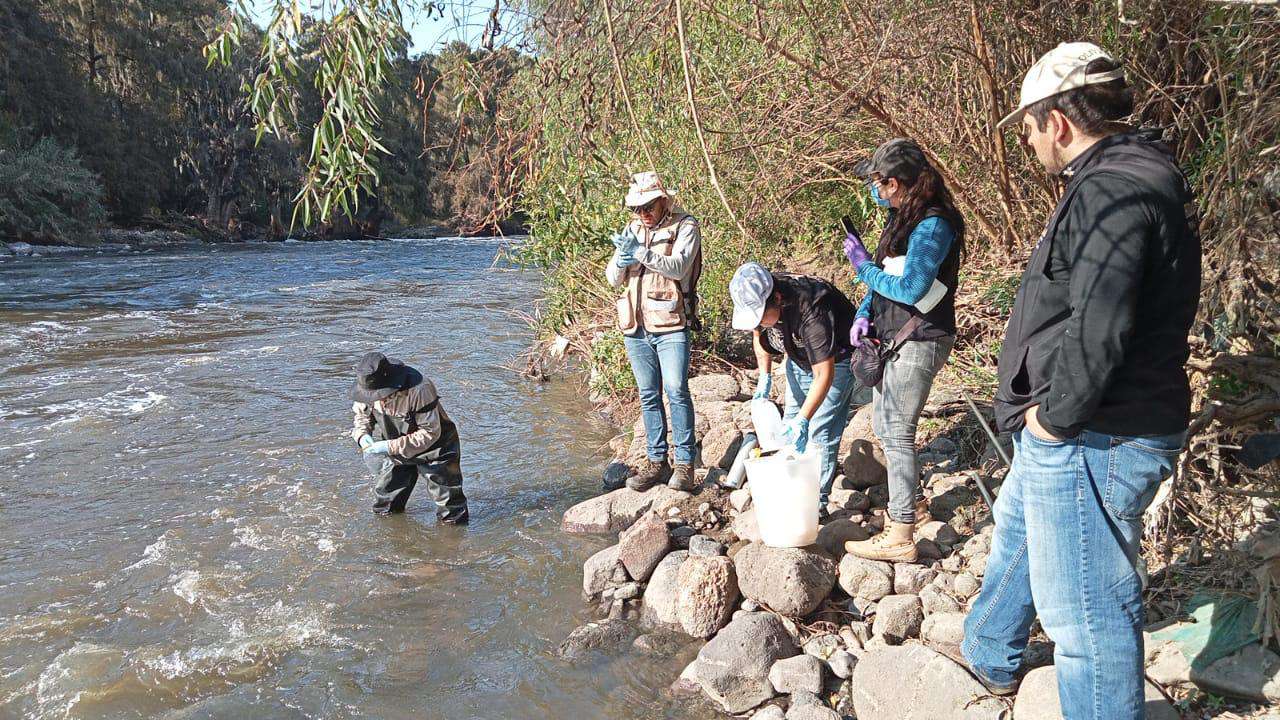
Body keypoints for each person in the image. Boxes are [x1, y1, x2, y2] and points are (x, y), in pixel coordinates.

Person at [959, 43, 1201, 719]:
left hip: (1100, 429)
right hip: (1089, 422)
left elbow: (1102, 325)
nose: (1030, 142)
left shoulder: (1113, 191)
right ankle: (989, 652)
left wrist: (1055, 420)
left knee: (1087, 613)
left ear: (1058, 123)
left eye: (1030, 128)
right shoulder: (1124, 176)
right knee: (1018, 528)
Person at [840, 138, 965, 564]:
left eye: (877, 182)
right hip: (892, 335)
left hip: (921, 338)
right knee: (885, 422)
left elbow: (911, 287)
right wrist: (863, 314)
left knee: (897, 432)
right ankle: (911, 505)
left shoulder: (933, 225)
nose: (874, 190)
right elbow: (881, 283)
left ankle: (900, 533)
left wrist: (861, 268)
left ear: (894, 183)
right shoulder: (901, 216)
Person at [729, 262, 858, 514]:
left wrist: (804, 419)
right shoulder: (761, 298)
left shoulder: (812, 309)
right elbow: (759, 336)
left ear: (777, 299)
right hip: (797, 358)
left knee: (819, 432)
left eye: (761, 316)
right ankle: (789, 493)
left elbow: (825, 372)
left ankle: (813, 504)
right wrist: (764, 379)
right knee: (787, 430)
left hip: (837, 361)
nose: (760, 324)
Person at [606, 171, 703, 492]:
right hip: (634, 326)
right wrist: (621, 260)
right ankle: (656, 463)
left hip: (672, 324)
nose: (642, 214)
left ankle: (686, 465)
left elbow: (679, 267)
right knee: (648, 395)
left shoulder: (686, 225)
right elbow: (613, 279)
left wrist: (641, 253)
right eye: (637, 208)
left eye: (648, 206)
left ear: (663, 201)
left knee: (676, 390)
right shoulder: (632, 228)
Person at [350, 352, 469, 523]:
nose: (374, 399)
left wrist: (387, 447)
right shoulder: (367, 387)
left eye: (379, 395)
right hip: (396, 445)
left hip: (436, 448)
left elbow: (429, 433)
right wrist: (362, 435)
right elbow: (362, 417)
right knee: (386, 503)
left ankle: (454, 544)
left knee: (451, 508)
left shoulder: (420, 388)